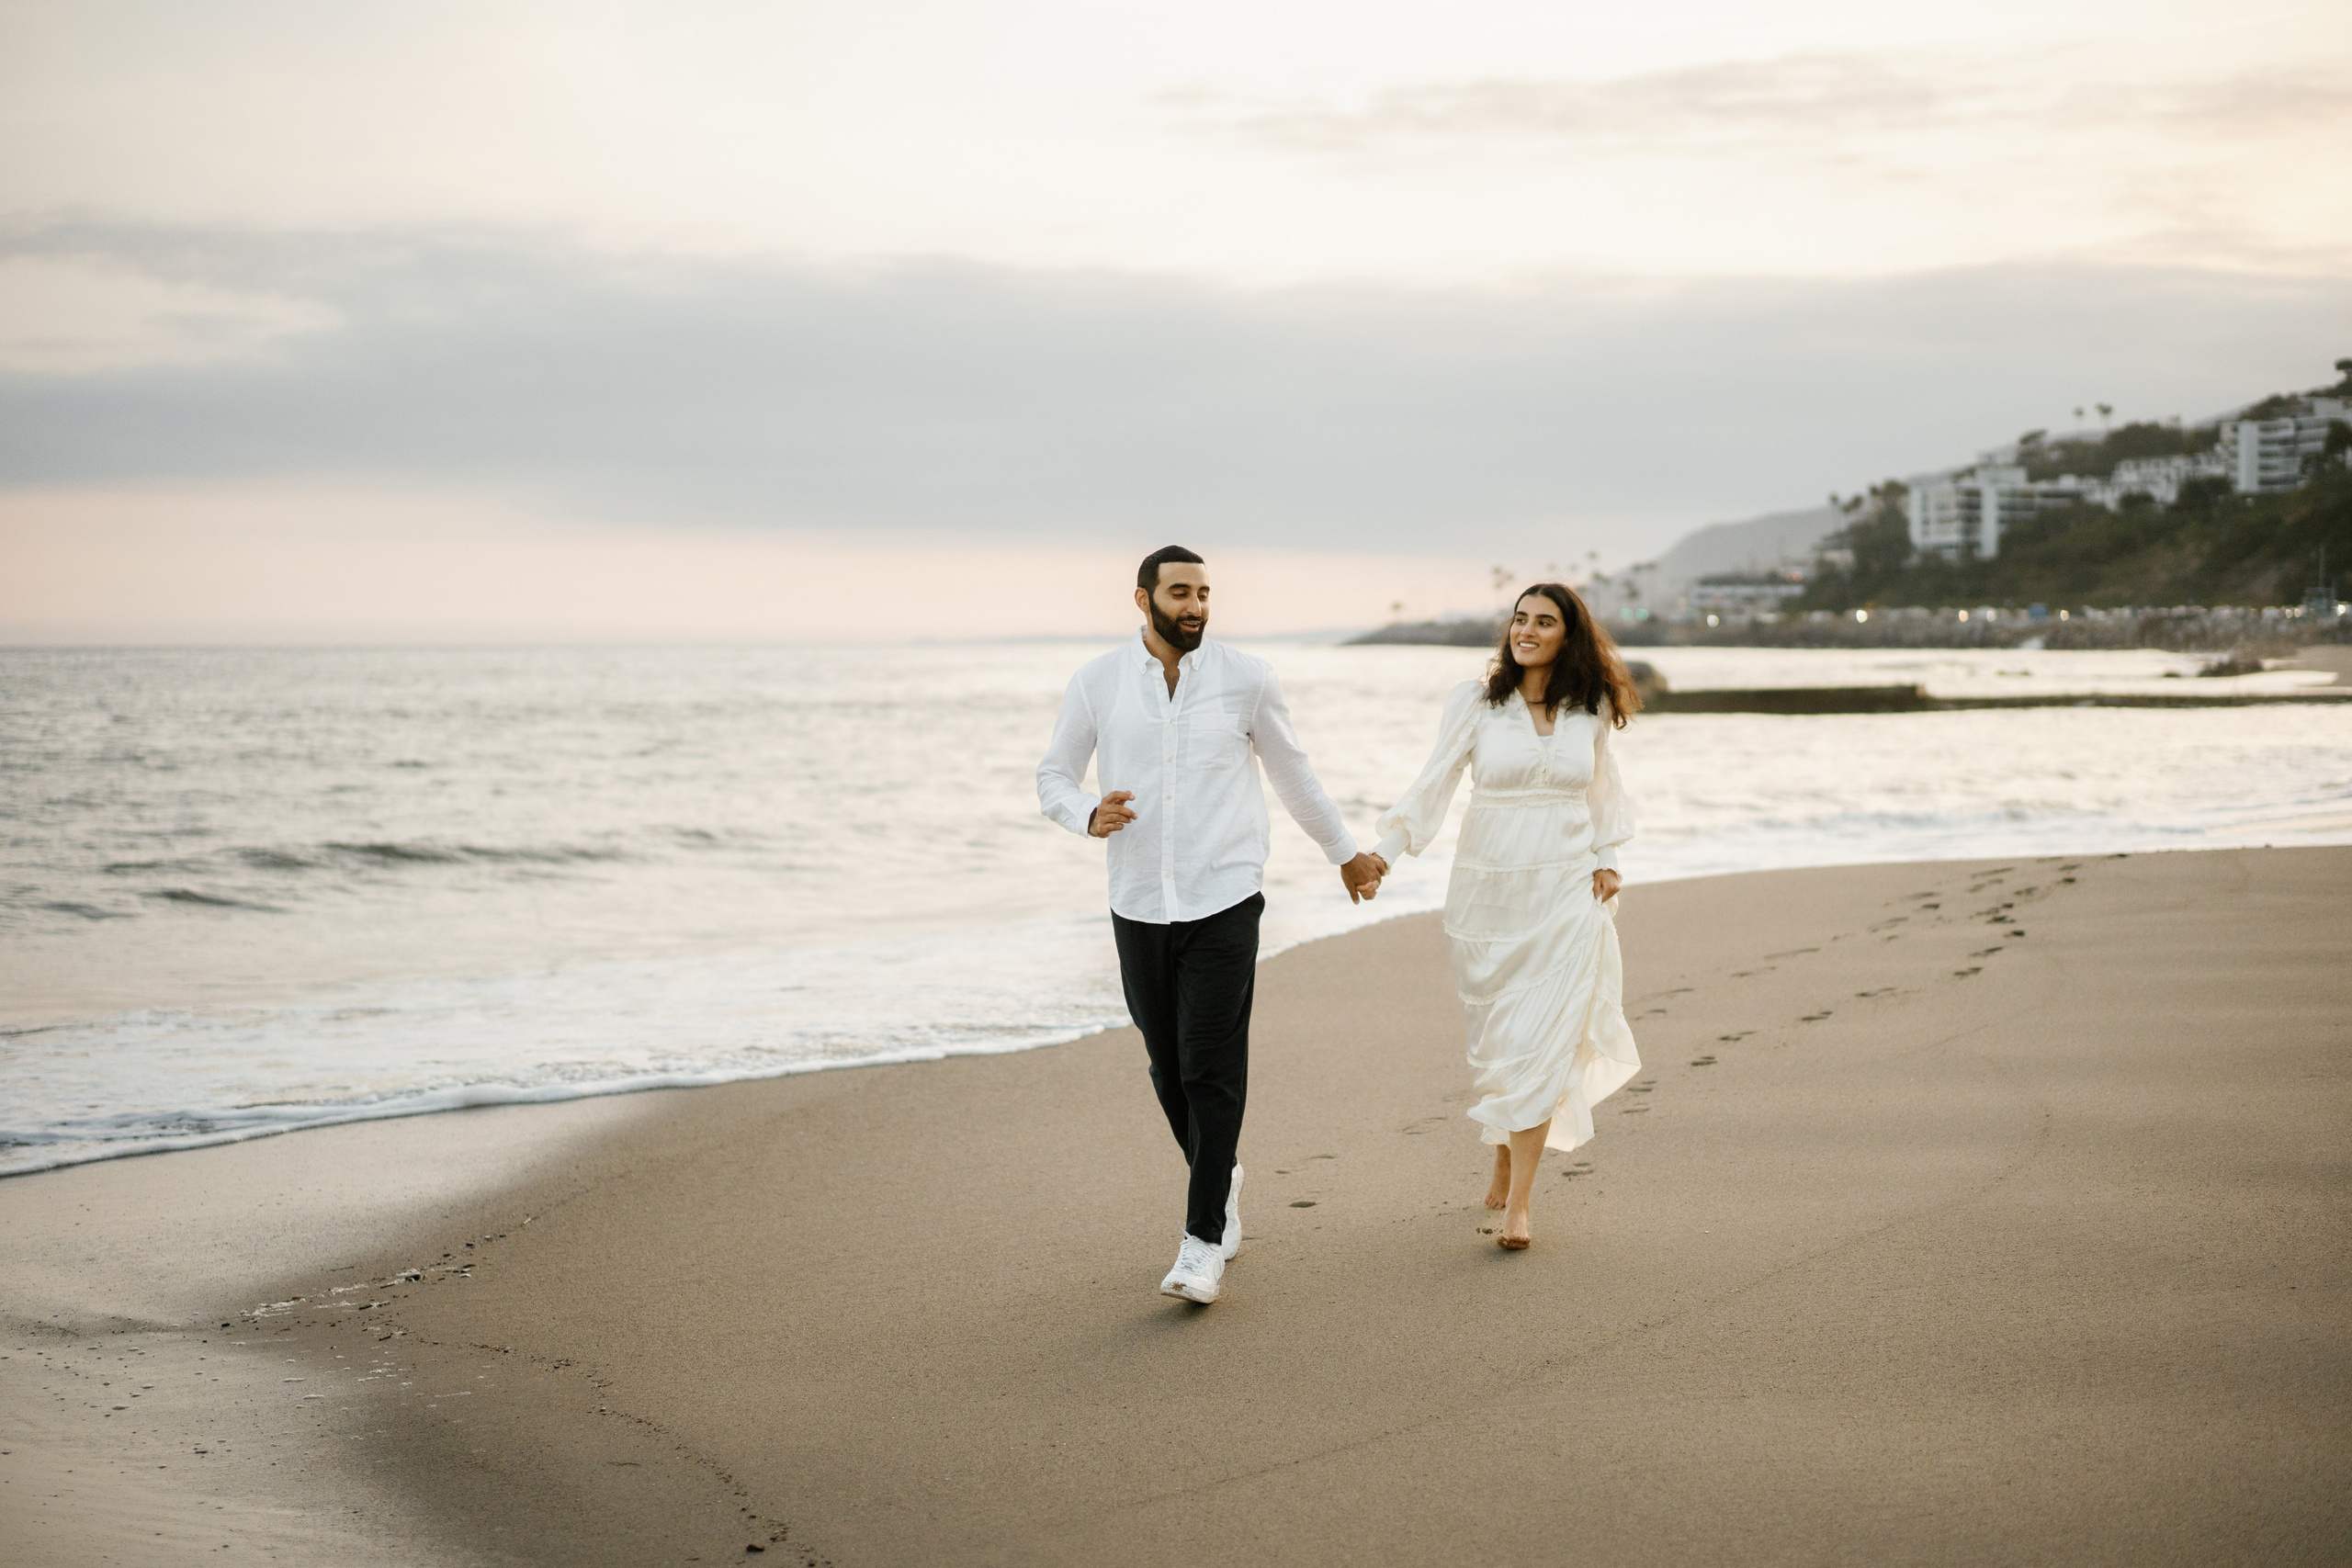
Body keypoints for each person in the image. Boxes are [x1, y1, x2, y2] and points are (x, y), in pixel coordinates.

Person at [1038, 546, 1386, 1304]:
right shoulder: (1097, 681)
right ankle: (1220, 1176)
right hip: (1137, 901)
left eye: (1204, 592)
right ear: (1143, 599)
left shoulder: (1246, 677)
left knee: (1209, 1066)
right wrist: (1084, 815)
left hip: (1225, 896)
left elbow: (1292, 770)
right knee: (1167, 1066)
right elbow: (1052, 776)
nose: (1195, 605)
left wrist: (1344, 853)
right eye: (1180, 593)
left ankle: (1202, 1244)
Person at [1366, 581, 1643, 1250]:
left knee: (1545, 1039)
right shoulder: (1477, 702)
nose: (1526, 629)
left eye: (1544, 621)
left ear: (1567, 635)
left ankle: (1520, 1203)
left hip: (1566, 892)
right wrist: (1384, 854)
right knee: (1500, 1040)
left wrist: (1607, 856)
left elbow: (1604, 791)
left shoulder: (1591, 707)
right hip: (1488, 898)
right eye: (1520, 618)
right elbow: (1433, 780)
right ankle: (1505, 1140)